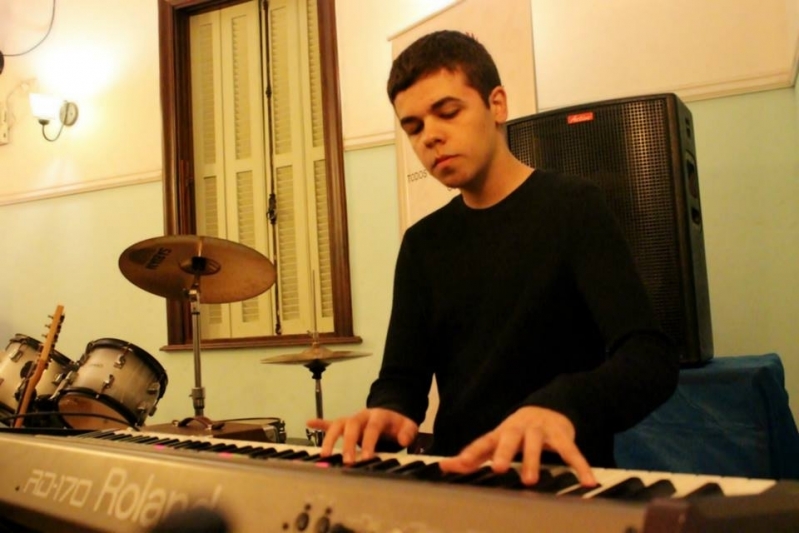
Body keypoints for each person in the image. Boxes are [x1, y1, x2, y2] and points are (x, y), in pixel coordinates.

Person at [307, 30, 679, 487]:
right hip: (459, 482)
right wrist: (386, 412)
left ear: (497, 105)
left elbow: (649, 358)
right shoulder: (423, 244)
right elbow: (402, 380)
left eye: (448, 112)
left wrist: (562, 404)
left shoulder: (575, 208)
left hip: (562, 483)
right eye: (414, 127)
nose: (432, 137)